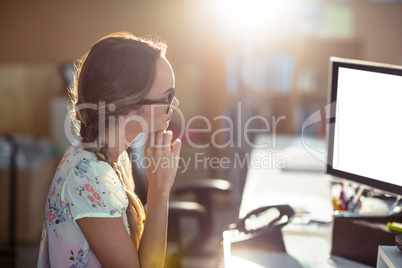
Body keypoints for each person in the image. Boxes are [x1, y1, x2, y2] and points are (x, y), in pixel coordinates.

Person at [37, 32, 182, 267]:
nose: (175, 104)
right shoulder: (89, 177)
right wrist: (160, 191)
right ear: (125, 106)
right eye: (168, 96)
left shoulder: (114, 160)